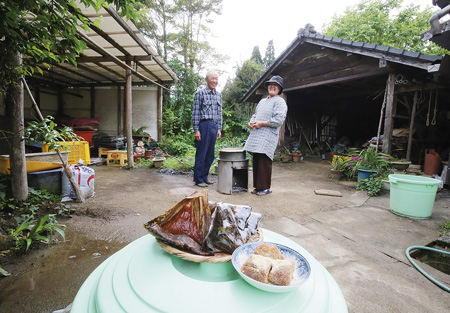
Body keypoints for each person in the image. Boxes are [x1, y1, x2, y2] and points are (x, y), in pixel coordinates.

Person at [243, 75, 287, 196]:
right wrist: (251, 122)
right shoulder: (262, 101)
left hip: (268, 135)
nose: (272, 86)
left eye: (275, 85)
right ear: (267, 87)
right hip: (257, 135)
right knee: (257, 159)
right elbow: (255, 115)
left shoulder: (280, 101)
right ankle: (258, 187)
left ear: (279, 89)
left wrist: (262, 123)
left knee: (264, 160)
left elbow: (278, 120)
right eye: (270, 84)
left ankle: (264, 188)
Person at [192, 70, 222, 187]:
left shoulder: (219, 95)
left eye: (216, 78)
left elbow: (220, 113)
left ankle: (205, 177)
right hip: (203, 125)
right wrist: (196, 129)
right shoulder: (200, 94)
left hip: (214, 126)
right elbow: (195, 113)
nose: (214, 81)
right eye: (212, 78)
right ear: (206, 80)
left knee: (210, 154)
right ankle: (198, 179)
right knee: (202, 153)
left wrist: (219, 128)